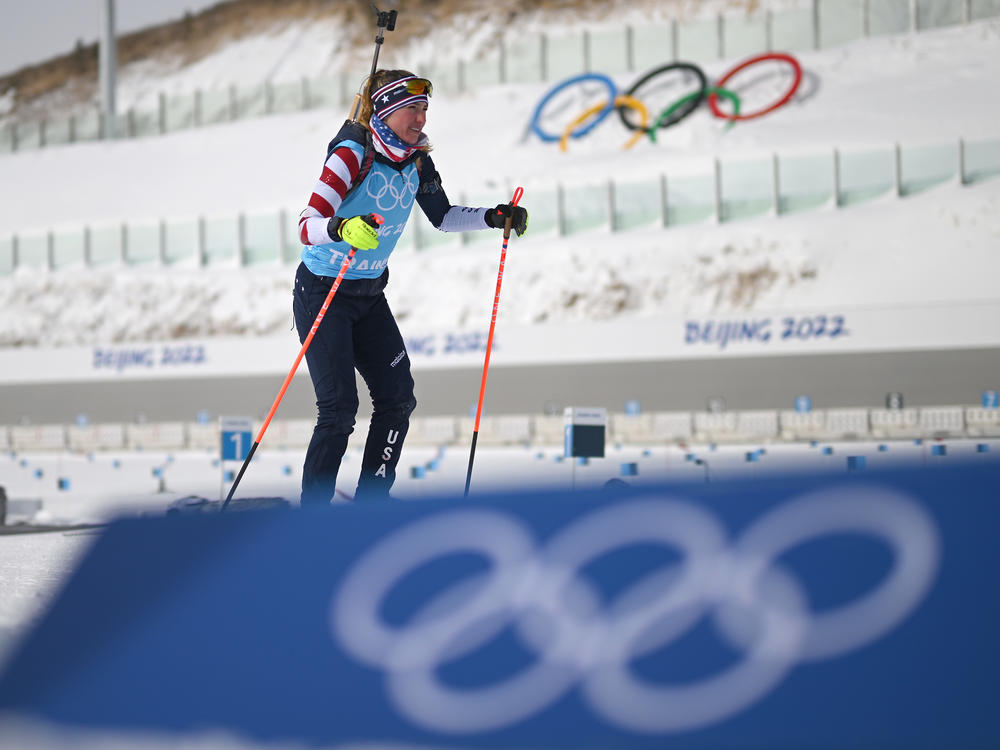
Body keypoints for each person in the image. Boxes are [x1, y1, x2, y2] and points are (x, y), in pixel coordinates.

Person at [293, 69, 528, 505]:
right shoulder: (351, 154)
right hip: (324, 291)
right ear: (383, 109)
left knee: (398, 399)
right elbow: (306, 227)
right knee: (340, 410)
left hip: (368, 295)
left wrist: (494, 217)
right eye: (410, 109)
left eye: (424, 109)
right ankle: (314, 519)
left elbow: (443, 216)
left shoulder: (418, 160)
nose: (420, 119)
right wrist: (343, 227)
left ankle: (372, 506)